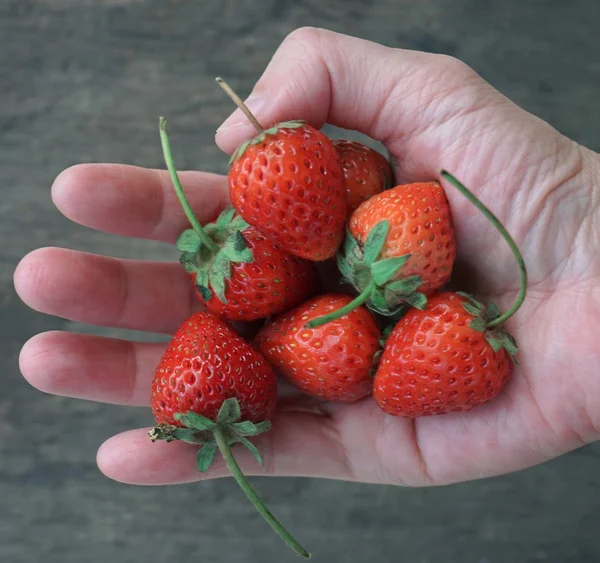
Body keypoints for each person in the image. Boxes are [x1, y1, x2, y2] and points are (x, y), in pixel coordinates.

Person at [14, 28, 600, 488]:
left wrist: (580, 235)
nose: (323, 247)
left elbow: (327, 247)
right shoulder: (340, 235)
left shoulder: (347, 237)